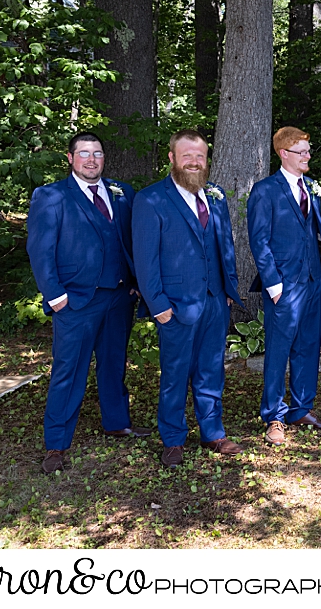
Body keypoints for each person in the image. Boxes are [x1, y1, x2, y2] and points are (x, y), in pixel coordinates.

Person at [26, 132, 150, 474]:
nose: (91, 159)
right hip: (76, 301)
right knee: (69, 371)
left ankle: (116, 422)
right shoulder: (51, 196)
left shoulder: (122, 193)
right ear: (70, 158)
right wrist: (56, 297)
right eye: (84, 153)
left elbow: (133, 240)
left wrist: (137, 283)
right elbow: (40, 251)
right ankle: (56, 444)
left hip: (119, 296)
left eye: (97, 153)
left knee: (114, 364)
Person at [132, 129, 244, 468]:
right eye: (187, 156)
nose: (194, 162)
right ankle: (173, 438)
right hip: (175, 306)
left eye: (200, 156)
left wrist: (227, 292)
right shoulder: (150, 199)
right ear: (172, 159)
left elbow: (225, 247)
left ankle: (213, 432)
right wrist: (159, 307)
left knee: (212, 371)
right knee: (175, 374)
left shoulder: (216, 195)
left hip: (214, 302)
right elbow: (145, 260)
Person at [247, 126, 321, 446]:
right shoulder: (265, 190)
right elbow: (259, 240)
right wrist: (273, 284)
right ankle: (274, 415)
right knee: (278, 351)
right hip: (284, 286)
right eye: (302, 151)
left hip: (313, 281)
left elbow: (313, 232)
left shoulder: (311, 187)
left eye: (308, 150)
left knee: (308, 347)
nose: (308, 156)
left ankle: (301, 408)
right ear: (284, 153)